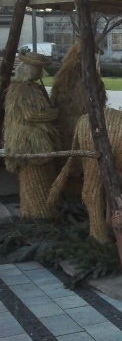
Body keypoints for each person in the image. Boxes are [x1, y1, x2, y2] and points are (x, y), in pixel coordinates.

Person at [4, 52, 59, 219]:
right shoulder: (21, 90)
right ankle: (36, 214)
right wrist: (54, 114)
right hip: (29, 139)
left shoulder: (34, 88)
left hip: (38, 137)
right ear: (28, 69)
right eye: (37, 68)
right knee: (34, 175)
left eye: (40, 69)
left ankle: (40, 212)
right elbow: (30, 116)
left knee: (43, 174)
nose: (39, 72)